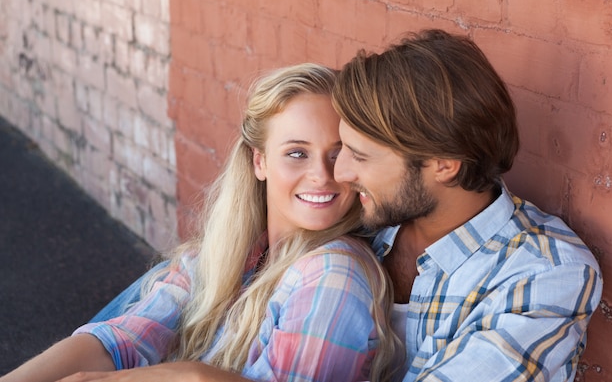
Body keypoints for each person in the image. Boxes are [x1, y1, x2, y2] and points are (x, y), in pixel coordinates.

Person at [0, 63, 402, 382]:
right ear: (259, 161)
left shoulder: (333, 272)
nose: (323, 175)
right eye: (297, 153)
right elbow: (122, 339)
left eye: (339, 153)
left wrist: (191, 375)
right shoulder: (236, 256)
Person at [330, 28, 603, 381]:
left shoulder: (545, 272)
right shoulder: (361, 221)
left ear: (444, 165)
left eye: (360, 157)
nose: (338, 173)